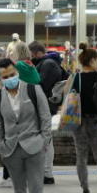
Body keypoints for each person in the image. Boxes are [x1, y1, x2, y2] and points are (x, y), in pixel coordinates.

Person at [0, 58, 52, 193]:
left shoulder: (34, 89)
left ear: (16, 72)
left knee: (35, 187)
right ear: (0, 78)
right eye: (5, 76)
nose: (9, 78)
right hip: (11, 149)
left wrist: (44, 141)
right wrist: (0, 145)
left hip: (34, 146)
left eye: (12, 74)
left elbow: (45, 117)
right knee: (18, 188)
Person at [67, 48, 97, 193]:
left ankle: (85, 190)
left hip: (78, 121)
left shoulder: (76, 77)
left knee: (81, 157)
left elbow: (68, 96)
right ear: (92, 60)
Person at [29, 41, 67, 185]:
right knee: (45, 138)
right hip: (45, 105)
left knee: (45, 139)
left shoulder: (48, 64)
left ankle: (47, 173)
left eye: (31, 54)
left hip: (44, 106)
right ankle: (45, 172)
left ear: (36, 52)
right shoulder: (47, 63)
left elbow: (41, 85)